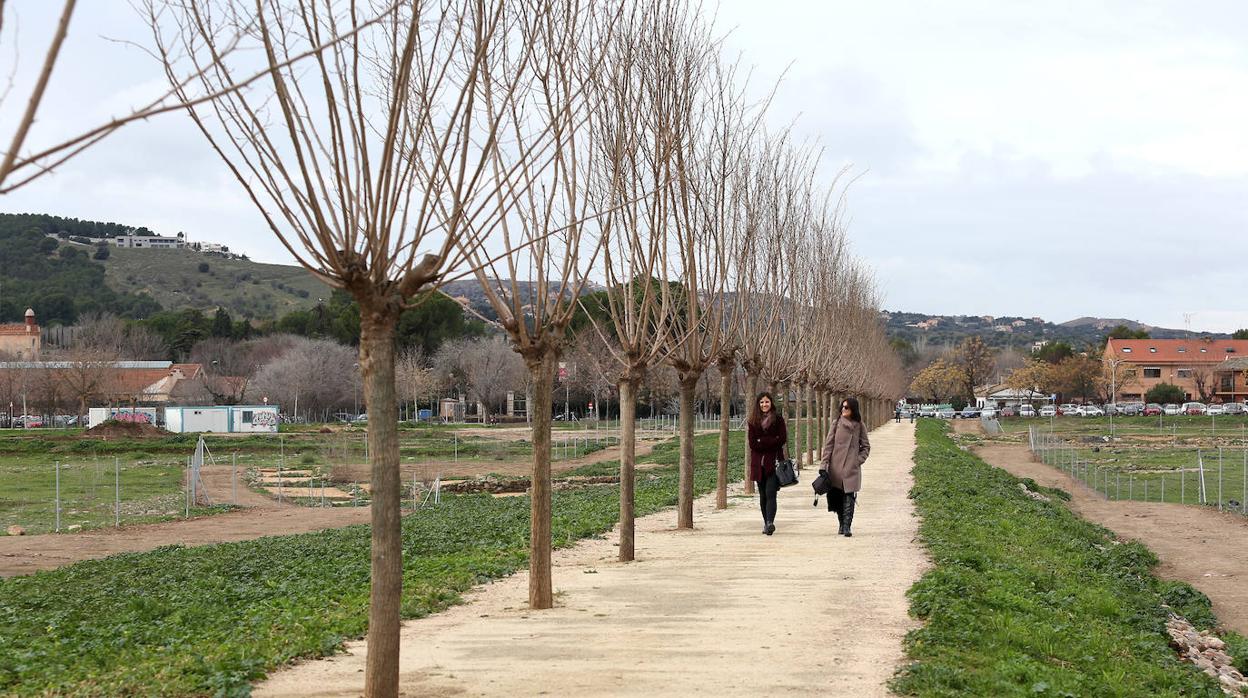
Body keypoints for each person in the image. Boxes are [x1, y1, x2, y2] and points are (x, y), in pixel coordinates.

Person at [819, 396, 871, 537]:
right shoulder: (836, 424)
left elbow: (866, 446)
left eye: (846, 407)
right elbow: (828, 445)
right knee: (837, 497)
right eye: (842, 407)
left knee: (849, 496)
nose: (843, 409)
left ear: (853, 409)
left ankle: (847, 526)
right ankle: (841, 523)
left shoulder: (859, 426)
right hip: (836, 467)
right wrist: (824, 465)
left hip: (851, 468)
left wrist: (858, 460)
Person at [747, 392, 787, 535]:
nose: (764, 405)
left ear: (771, 403)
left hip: (774, 463)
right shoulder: (752, 421)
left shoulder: (778, 420)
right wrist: (771, 440)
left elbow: (782, 439)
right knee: (763, 495)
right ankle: (766, 523)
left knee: (771, 493)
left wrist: (762, 441)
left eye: (767, 402)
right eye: (762, 402)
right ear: (758, 404)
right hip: (758, 464)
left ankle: (770, 522)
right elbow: (752, 443)